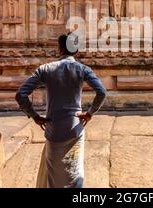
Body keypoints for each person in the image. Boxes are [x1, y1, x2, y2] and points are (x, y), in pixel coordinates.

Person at [15, 33, 107, 188]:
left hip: (54, 129)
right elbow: (102, 92)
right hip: (74, 128)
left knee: (53, 176)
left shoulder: (45, 69)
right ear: (75, 50)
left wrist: (35, 116)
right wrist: (90, 113)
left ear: (60, 48)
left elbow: (20, 95)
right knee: (74, 174)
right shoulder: (82, 69)